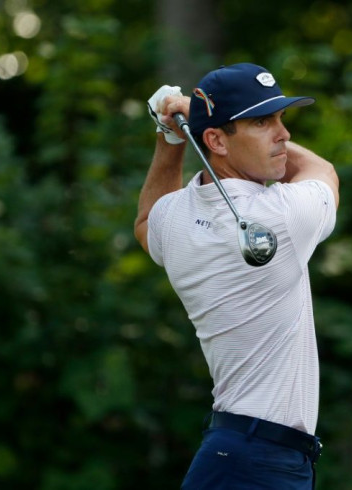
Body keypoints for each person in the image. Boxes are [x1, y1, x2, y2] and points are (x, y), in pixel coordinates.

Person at [134, 62, 339, 489]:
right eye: (263, 122)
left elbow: (146, 220)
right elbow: (324, 172)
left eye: (282, 119)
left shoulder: (175, 220)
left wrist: (169, 135)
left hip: (239, 453)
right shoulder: (280, 216)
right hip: (258, 460)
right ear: (214, 141)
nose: (283, 134)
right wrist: (191, 113)